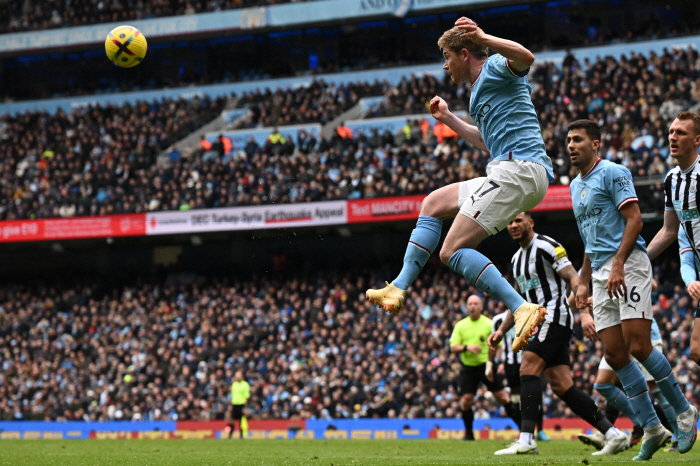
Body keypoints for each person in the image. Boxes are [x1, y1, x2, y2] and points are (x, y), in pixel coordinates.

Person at [367, 17, 554, 353]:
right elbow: (487, 141)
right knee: (432, 204)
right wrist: (449, 119)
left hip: (519, 170)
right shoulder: (476, 92)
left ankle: (521, 307)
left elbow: (527, 57)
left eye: (447, 57)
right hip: (506, 167)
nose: (444, 65)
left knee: (451, 251)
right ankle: (397, 288)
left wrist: (484, 36)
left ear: (464, 53)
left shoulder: (495, 66)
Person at [566, 119, 697, 460]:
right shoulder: (573, 186)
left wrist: (622, 263)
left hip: (629, 265)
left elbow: (635, 220)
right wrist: (582, 280)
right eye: (568, 140)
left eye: (578, 140)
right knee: (615, 355)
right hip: (599, 273)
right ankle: (652, 428)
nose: (571, 146)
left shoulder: (613, 172)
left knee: (639, 346)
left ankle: (684, 412)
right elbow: (589, 241)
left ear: (596, 144)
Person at [489, 212, 628, 456]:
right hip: (538, 321)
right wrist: (501, 330)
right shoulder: (516, 259)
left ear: (530, 222)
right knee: (562, 386)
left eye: (518, 220)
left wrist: (584, 312)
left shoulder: (547, 246)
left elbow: (573, 277)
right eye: (509, 221)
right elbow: (517, 299)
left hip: (553, 317)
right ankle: (612, 434)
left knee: (527, 366)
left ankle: (526, 439)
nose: (513, 225)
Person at [646, 112, 700, 365]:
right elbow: (669, 231)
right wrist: (636, 259)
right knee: (697, 352)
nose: (673, 137)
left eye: (681, 133)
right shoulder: (671, 179)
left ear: (697, 140)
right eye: (671, 132)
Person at [449, 295, 521, 440]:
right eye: (470, 304)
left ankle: (524, 430)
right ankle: (469, 434)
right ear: (467, 307)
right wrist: (466, 347)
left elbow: (499, 346)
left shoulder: (489, 324)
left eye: (476, 303)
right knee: (466, 400)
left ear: (481, 306)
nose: (473, 306)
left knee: (502, 397)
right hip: (468, 368)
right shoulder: (461, 325)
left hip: (487, 366)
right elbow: (453, 347)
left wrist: (500, 362)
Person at [491, 307, 549, 443]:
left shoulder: (530, 314)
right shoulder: (498, 320)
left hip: (530, 360)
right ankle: (524, 430)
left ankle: (540, 430)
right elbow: (496, 343)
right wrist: (496, 362)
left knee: (535, 393)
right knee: (516, 398)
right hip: (510, 364)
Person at [228, 370, 250, 439]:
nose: (237, 377)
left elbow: (246, 396)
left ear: (241, 376)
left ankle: (241, 435)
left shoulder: (245, 384)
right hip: (234, 404)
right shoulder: (234, 385)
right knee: (232, 420)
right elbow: (233, 395)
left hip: (241, 404)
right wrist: (230, 405)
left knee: (241, 421)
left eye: (238, 376)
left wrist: (244, 407)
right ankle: (230, 435)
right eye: (236, 376)